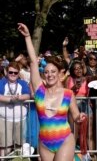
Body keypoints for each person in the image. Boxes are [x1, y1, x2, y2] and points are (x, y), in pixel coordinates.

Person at [18, 23, 86, 161]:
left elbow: (76, 115)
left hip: (65, 140)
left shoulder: (68, 94)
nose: (49, 75)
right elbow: (32, 62)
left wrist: (80, 118)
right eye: (46, 72)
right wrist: (27, 37)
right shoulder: (39, 91)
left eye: (53, 71)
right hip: (44, 143)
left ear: (59, 74)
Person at [0, 61, 31, 157]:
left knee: (19, 145)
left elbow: (27, 95)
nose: (13, 74)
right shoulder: (2, 82)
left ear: (18, 73)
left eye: (15, 72)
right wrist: (10, 99)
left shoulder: (23, 83)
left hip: (20, 119)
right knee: (5, 146)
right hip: (4, 119)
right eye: (10, 72)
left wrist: (18, 98)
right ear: (6, 72)